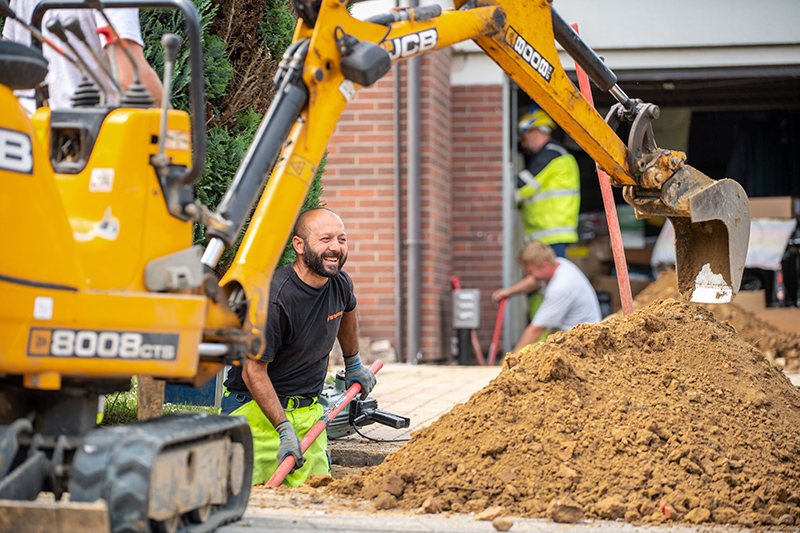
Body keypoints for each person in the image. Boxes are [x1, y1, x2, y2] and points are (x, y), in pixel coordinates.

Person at [221, 208, 376, 486]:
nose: (335, 247)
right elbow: (252, 372)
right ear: (299, 245)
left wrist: (353, 362)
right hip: (255, 413)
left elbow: (348, 308)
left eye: (342, 239)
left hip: (308, 413)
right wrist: (282, 429)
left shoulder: (339, 283)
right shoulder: (275, 299)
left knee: (316, 498)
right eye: (325, 239)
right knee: (250, 504)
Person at [3, 0, 162, 112]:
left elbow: (8, 65)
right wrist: (174, 126)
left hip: (29, 134)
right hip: (91, 132)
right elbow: (131, 77)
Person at [492, 240, 601, 353]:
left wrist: (512, 360)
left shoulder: (560, 288)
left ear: (545, 266)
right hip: (568, 331)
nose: (527, 275)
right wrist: (508, 292)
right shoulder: (558, 263)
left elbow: (536, 329)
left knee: (529, 355)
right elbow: (534, 281)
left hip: (580, 342)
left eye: (530, 271)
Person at [516, 105, 580, 258]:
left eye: (524, 137)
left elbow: (521, 189)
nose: (523, 144)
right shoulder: (555, 154)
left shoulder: (551, 155)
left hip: (550, 237)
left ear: (535, 132)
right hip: (548, 236)